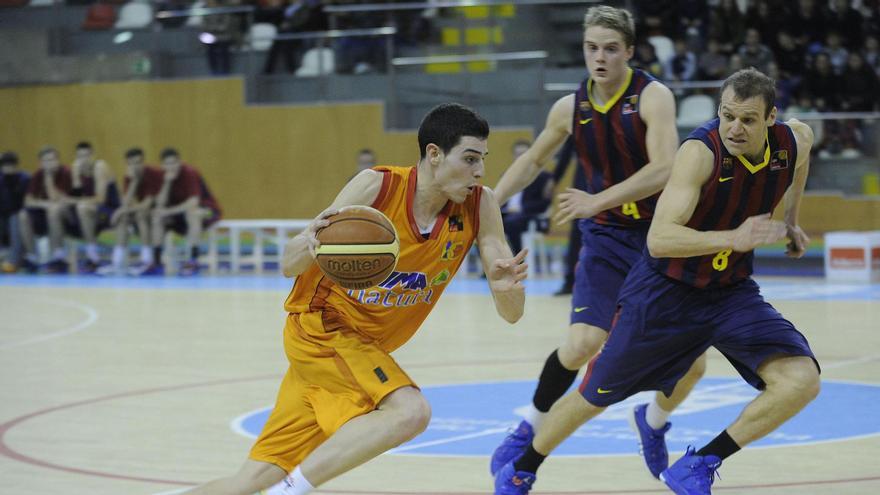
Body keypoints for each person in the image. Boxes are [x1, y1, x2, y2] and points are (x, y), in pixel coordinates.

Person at [496, 68, 821, 495]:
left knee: (802, 379)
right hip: (666, 292)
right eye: (727, 116)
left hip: (730, 292)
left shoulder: (793, 139)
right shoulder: (700, 153)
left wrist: (792, 222)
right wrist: (733, 237)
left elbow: (798, 165)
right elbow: (660, 239)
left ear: (771, 118)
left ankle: (699, 463)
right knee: (594, 395)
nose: (734, 128)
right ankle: (523, 466)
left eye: (747, 119)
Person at [183, 103, 527, 495]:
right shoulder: (377, 187)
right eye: (469, 159)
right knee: (410, 412)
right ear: (434, 154)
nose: (479, 171)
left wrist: (505, 289)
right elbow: (288, 264)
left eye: (482, 160)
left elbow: (512, 315)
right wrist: (311, 244)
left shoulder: (480, 205)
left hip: (350, 355)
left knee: (250, 481)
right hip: (321, 328)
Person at [490, 5, 707, 484]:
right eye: (592, 48)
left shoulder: (653, 97)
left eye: (611, 48)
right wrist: (488, 202)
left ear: (629, 51)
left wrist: (595, 200)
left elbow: (664, 167)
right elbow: (532, 163)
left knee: (694, 365)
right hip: (607, 238)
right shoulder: (568, 107)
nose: (600, 57)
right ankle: (529, 424)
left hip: (658, 239)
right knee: (583, 343)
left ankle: (651, 423)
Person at [139, 148, 221, 276]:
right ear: (162, 165)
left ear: (180, 162)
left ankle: (193, 260)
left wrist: (168, 211)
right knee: (157, 217)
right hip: (178, 214)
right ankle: (157, 262)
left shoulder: (190, 172)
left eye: (174, 163)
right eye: (167, 163)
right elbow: (160, 203)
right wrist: (167, 182)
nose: (171, 167)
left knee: (193, 213)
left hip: (207, 211)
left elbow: (193, 202)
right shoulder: (162, 176)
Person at [98, 147, 164, 276]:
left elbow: (146, 205)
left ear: (143, 161)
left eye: (138, 162)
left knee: (139, 214)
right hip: (142, 215)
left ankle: (146, 260)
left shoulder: (153, 174)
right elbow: (126, 203)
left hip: (159, 217)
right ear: (127, 164)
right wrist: (134, 182)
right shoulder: (129, 178)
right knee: (123, 219)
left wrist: (121, 211)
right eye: (131, 163)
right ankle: (116, 262)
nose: (135, 166)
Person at [19, 146, 74, 274]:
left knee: (54, 211)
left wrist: (48, 179)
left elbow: (56, 199)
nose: (50, 163)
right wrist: (44, 204)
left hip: (68, 216)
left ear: (58, 160)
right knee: (23, 215)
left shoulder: (65, 172)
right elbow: (28, 201)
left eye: (53, 159)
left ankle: (58, 257)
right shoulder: (38, 174)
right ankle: (32, 257)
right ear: (41, 163)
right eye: (46, 161)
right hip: (46, 213)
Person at [69, 141, 120, 273]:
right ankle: (61, 257)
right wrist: (75, 177)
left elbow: (100, 199)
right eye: (80, 157)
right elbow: (77, 194)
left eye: (86, 156)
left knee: (82, 207)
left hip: (111, 211)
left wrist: (75, 201)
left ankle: (92, 255)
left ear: (92, 155)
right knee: (70, 209)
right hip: (93, 212)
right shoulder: (78, 170)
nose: (83, 160)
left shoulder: (99, 166)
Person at [500, 140, 553, 257]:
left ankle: (518, 260)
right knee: (483, 224)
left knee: (511, 223)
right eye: (517, 154)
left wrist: (520, 208)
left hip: (529, 216)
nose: (520, 157)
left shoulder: (544, 177)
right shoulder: (506, 175)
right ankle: (489, 266)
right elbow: (501, 198)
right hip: (507, 214)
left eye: (523, 154)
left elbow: (545, 203)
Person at [0, 152, 30, 273]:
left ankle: (13, 261)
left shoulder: (25, 178)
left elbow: (24, 202)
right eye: (5, 166)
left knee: (15, 219)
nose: (8, 169)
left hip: (19, 216)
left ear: (16, 166)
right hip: (3, 216)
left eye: (11, 166)